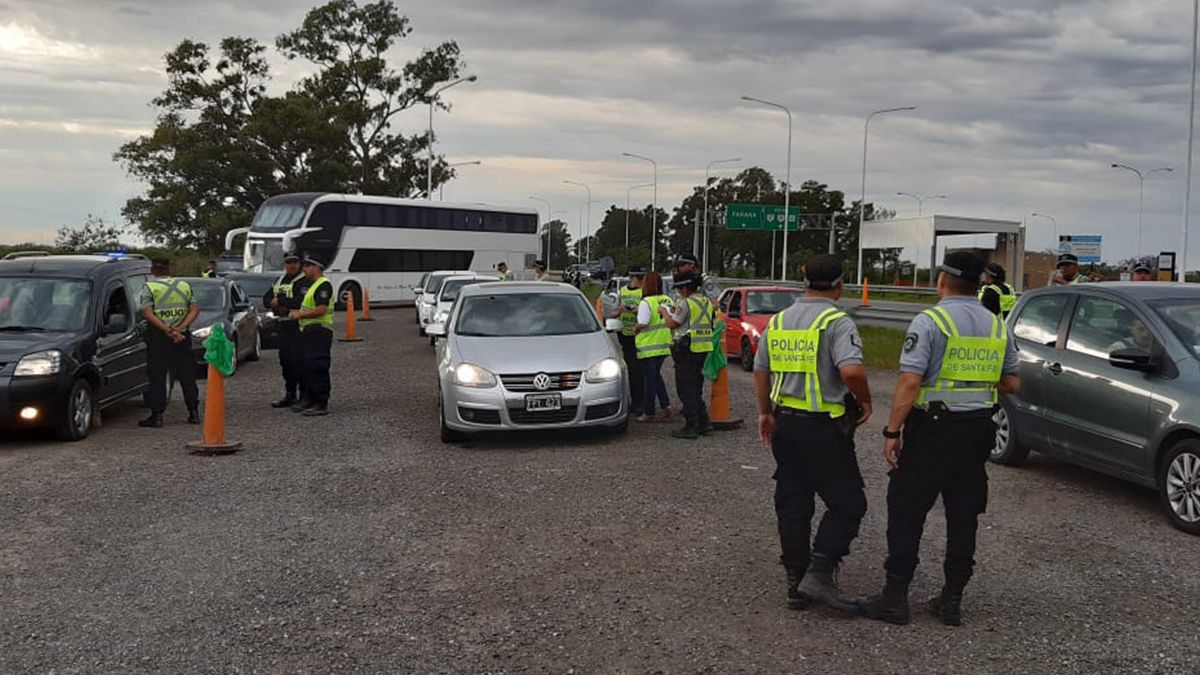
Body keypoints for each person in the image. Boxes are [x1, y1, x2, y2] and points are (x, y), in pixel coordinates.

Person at [861, 251, 1021, 627]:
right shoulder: (998, 325)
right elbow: (1012, 383)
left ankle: (895, 597)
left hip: (932, 430)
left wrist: (891, 431)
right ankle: (952, 601)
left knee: (907, 509)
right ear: (980, 283)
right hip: (978, 431)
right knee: (964, 514)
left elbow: (909, 381)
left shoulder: (931, 320)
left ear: (942, 280)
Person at [753, 253, 872, 613]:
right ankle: (820, 571)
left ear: (804, 280)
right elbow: (851, 371)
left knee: (793, 500)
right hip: (823, 427)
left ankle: (796, 582)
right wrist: (865, 401)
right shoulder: (837, 321)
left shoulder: (780, 319)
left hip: (786, 423)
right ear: (840, 283)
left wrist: (764, 413)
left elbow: (761, 369)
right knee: (849, 503)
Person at [138, 258, 200, 428]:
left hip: (159, 337)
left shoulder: (149, 287)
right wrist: (180, 329)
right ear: (169, 268)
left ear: (153, 269)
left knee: (157, 376)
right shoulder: (183, 285)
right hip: (182, 336)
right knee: (187, 374)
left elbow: (147, 313)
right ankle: (193, 412)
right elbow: (194, 309)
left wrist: (167, 330)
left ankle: (157, 416)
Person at [663, 273, 715, 439]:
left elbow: (672, 324)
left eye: (679, 289)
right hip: (703, 347)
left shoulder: (686, 303)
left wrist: (664, 312)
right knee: (696, 387)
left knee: (685, 389)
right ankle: (704, 423)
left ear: (685, 288)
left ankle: (691, 426)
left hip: (687, 349)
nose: (678, 292)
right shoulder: (705, 301)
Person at [289, 255, 335, 416]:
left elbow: (321, 309)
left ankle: (321, 403)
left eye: (308, 266)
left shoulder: (323, 285)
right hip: (310, 331)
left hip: (319, 331)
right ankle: (311, 400)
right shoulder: (314, 285)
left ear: (316, 267)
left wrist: (299, 315)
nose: (304, 269)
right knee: (308, 366)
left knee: (318, 366)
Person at [265, 254, 306, 408]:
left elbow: (300, 301)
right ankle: (290, 395)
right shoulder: (279, 280)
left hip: (298, 325)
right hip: (283, 325)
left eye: (295, 262)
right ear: (284, 264)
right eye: (289, 262)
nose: (292, 265)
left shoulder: (304, 281)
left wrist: (281, 301)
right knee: (286, 362)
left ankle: (303, 396)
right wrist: (273, 304)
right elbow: (267, 298)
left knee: (299, 362)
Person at [633, 271, 674, 423]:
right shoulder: (667, 299)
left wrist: (635, 329)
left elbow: (643, 322)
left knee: (650, 379)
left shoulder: (646, 302)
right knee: (655, 376)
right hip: (663, 344)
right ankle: (666, 406)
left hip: (648, 345)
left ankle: (649, 411)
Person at [610, 268, 645, 414]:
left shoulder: (644, 292)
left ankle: (641, 402)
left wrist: (639, 310)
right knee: (632, 370)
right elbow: (613, 313)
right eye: (640, 278)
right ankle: (635, 402)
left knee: (641, 370)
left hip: (641, 335)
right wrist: (621, 310)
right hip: (626, 334)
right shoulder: (622, 292)